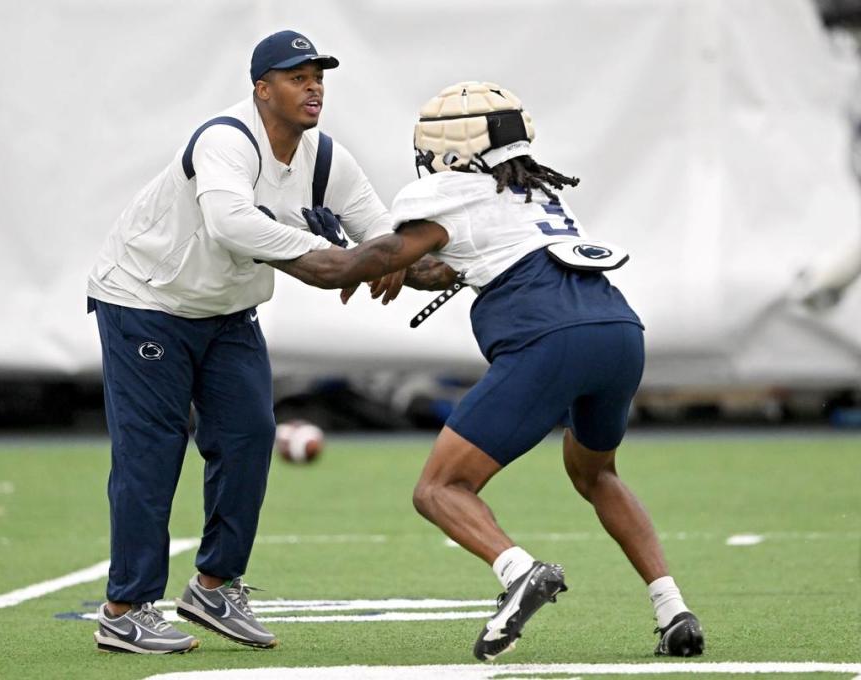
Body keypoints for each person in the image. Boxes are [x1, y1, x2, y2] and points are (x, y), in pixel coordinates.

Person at [269, 81, 705, 661]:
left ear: (449, 150)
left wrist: (267, 244)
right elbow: (441, 267)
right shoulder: (532, 191)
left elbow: (355, 265)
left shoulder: (451, 193)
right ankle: (672, 608)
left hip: (548, 340)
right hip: (619, 332)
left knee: (438, 489)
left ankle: (519, 571)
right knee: (596, 473)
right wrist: (392, 262)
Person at [85, 29, 400, 654]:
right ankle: (125, 609)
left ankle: (213, 586)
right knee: (153, 453)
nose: (312, 87)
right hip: (146, 301)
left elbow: (379, 224)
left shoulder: (325, 157)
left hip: (227, 312)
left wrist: (397, 253)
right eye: (295, 76)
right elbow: (229, 223)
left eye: (318, 76)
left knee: (251, 436)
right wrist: (327, 256)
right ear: (261, 89)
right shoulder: (227, 139)